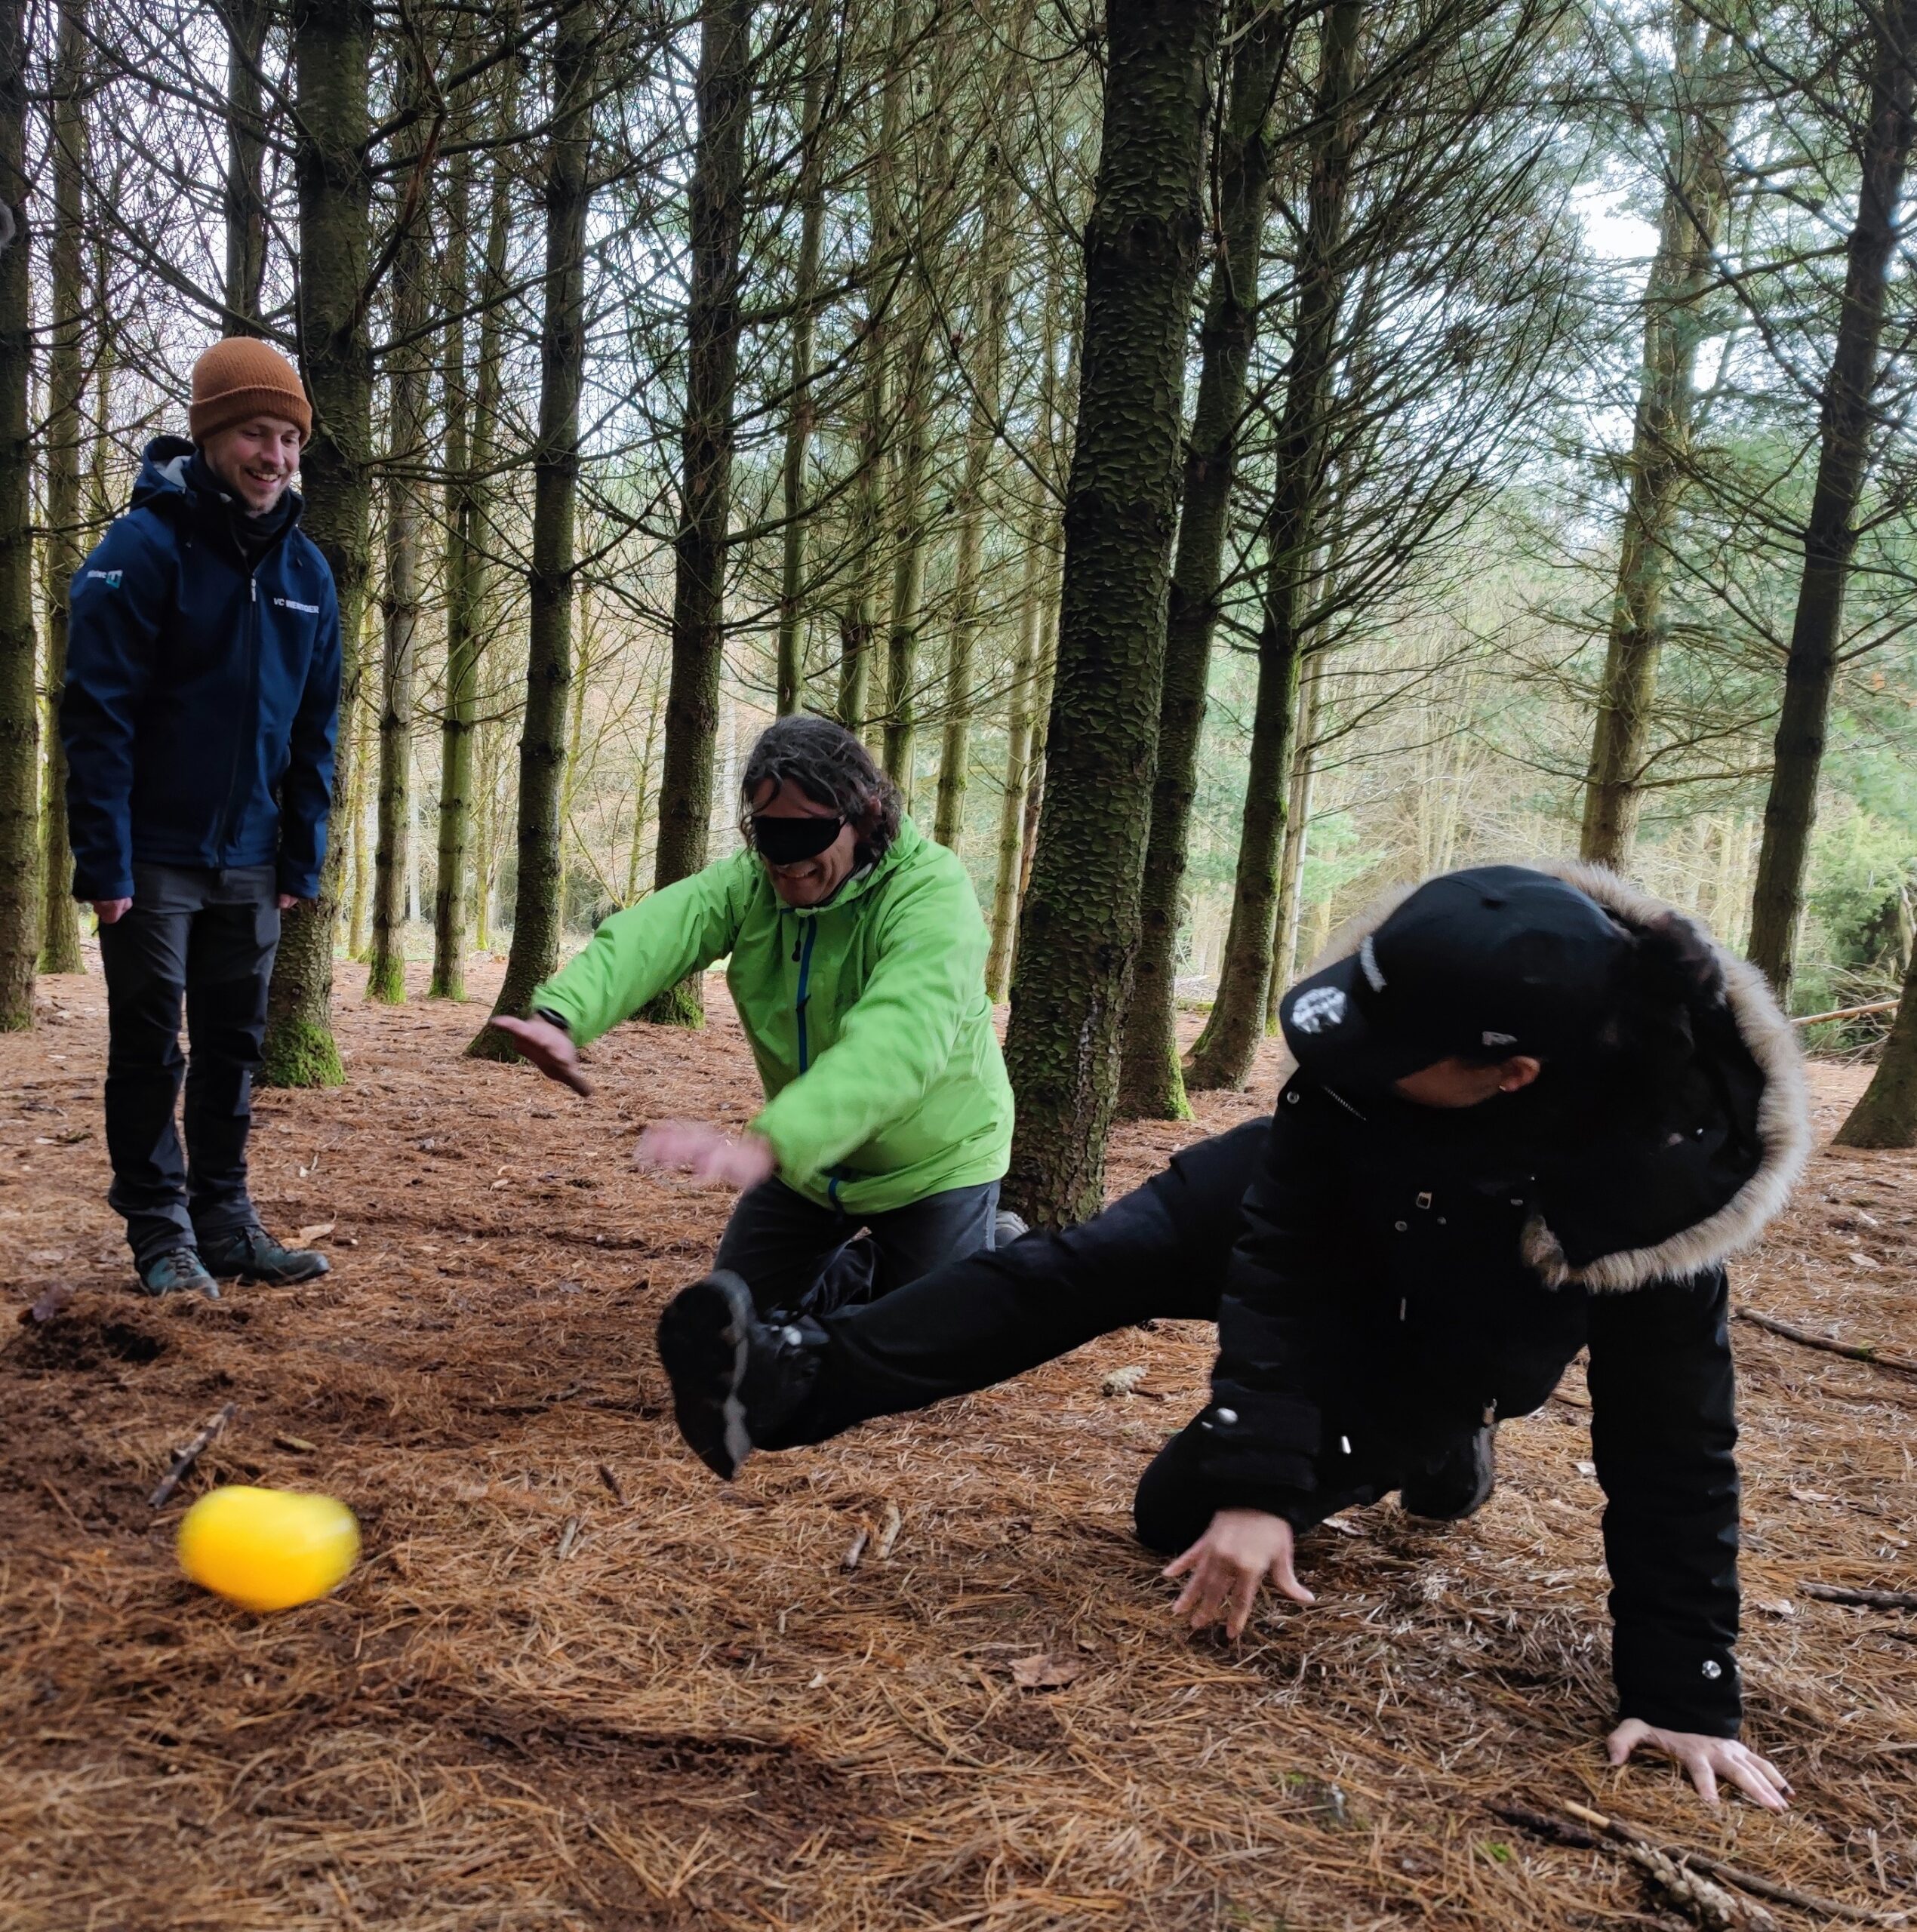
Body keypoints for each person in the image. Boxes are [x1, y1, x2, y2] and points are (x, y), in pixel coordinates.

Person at [655, 863, 1810, 1810]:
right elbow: (1286, 1268)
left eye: (1387, 1044)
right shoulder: (1372, 1062)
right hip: (1323, 1203)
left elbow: (1676, 1452)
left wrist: (1687, 1689)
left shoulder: (1660, 1196)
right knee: (1080, 1263)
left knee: (1172, 1519)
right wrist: (1264, 1476)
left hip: (1447, 1342)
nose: (1339, 1050)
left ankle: (1446, 1451)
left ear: (1512, 1073)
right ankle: (793, 1379)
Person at [494, 715, 1017, 1317]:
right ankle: (883, 1273)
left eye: (808, 837)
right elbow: (662, 930)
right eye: (770, 836)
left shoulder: (931, 895)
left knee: (931, 1333)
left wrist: (770, 1143)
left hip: (933, 1162)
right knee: (744, 1314)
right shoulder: (752, 881)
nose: (786, 864)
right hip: (809, 1166)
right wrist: (562, 1014)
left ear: (864, 817)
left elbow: (897, 1043)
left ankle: (984, 1250)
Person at [61, 337, 342, 1300]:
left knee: (234, 1045)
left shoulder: (308, 572)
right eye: (257, 435)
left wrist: (299, 857)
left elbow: (316, 729)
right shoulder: (138, 553)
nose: (275, 457)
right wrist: (104, 859)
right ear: (214, 436)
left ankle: (225, 1221)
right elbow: (96, 715)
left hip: (253, 860)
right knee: (151, 1042)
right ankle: (159, 1230)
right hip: (151, 856)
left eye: (289, 440)